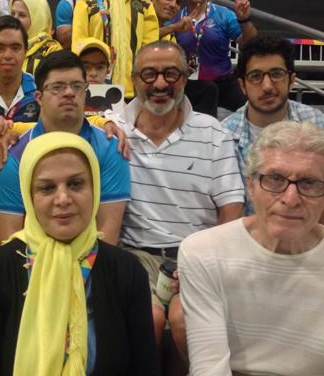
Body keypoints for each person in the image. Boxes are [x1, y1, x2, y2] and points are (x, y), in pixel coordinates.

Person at [0, 132, 160, 376]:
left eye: (76, 184)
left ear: (95, 188)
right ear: (29, 197)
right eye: (46, 188)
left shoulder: (126, 271)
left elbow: (145, 368)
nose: (63, 199)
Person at [102, 40, 245, 362]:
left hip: (196, 257)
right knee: (148, 321)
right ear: (134, 79)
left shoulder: (213, 133)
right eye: (149, 74)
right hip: (135, 257)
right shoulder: (113, 131)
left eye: (171, 73)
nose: (160, 83)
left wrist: (210, 263)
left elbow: (232, 210)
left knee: (185, 322)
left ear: (185, 77)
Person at [179, 121, 324, 376]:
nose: (290, 199)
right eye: (275, 179)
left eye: (310, 182)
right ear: (250, 186)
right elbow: (210, 367)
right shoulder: (204, 252)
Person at [0, 50, 129, 246]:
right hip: (32, 261)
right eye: (57, 87)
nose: (69, 93)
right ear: (39, 97)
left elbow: (106, 236)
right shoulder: (13, 155)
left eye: (77, 86)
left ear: (86, 93)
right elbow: (10, 240)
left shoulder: (110, 148)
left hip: (93, 261)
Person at [223, 34, 324, 216]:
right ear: (242, 86)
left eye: (277, 74)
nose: (267, 86)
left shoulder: (317, 123)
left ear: (291, 80)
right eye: (255, 76)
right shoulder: (224, 137)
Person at [173, 0, 258, 111]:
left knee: (252, 108)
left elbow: (251, 45)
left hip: (223, 81)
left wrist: (244, 19)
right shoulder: (175, 19)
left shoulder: (224, 15)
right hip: (188, 83)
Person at [151, 0, 218, 117]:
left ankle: (204, 127)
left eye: (178, 2)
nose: (173, 5)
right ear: (154, 0)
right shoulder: (139, 19)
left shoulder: (170, 33)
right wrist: (174, 27)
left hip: (169, 81)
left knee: (208, 89)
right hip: (145, 81)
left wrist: (183, 70)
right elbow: (145, 37)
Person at [0, 16, 40, 122]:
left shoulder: (40, 91)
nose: (8, 55)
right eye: (0, 48)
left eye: (15, 48)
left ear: (25, 52)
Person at [10, 0, 62, 75]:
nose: (14, 19)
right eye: (12, 14)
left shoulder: (51, 49)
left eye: (22, 15)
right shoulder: (4, 45)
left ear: (38, 19)